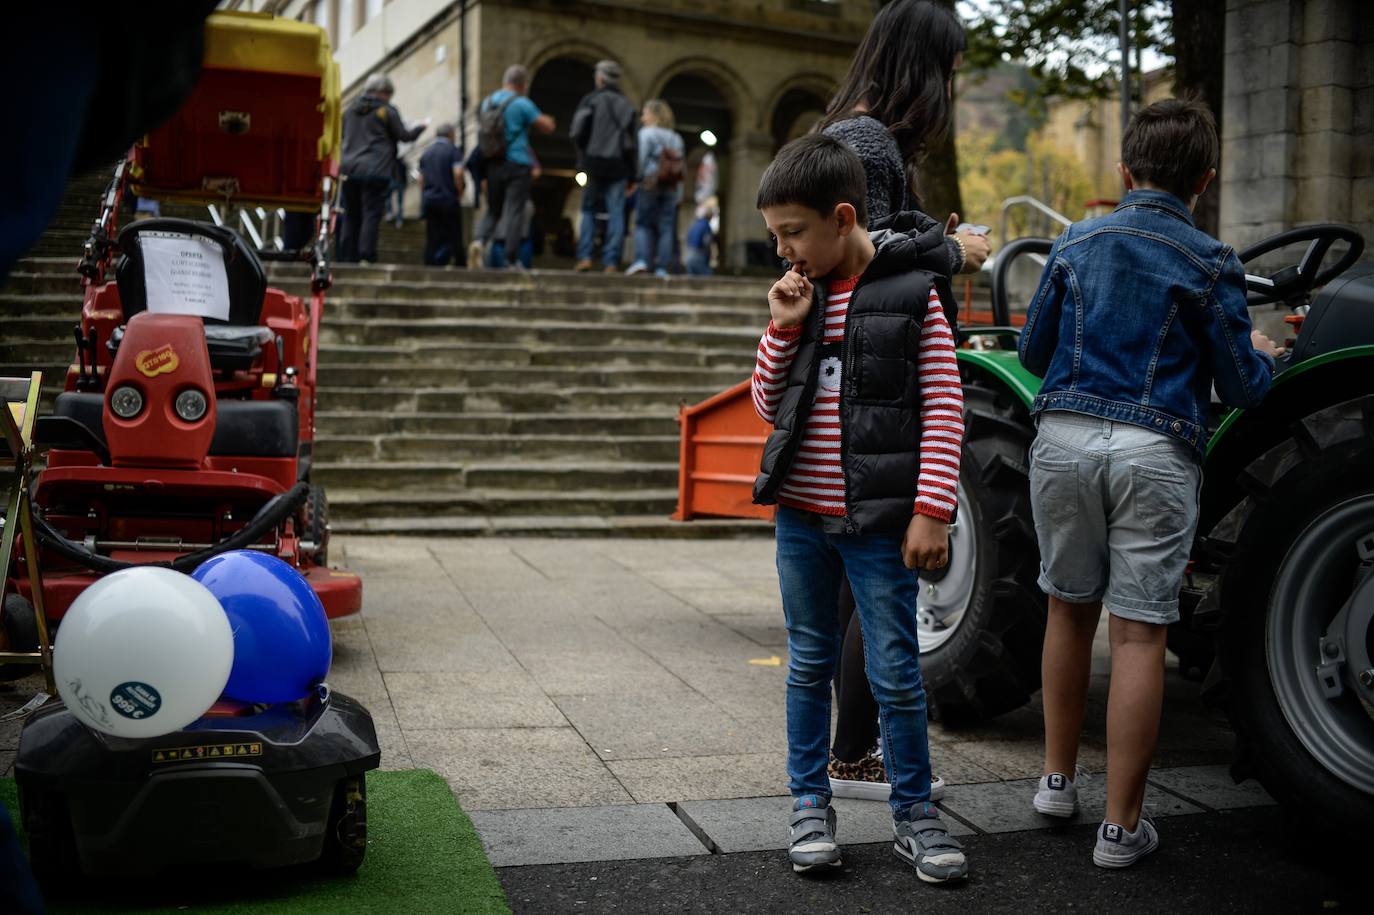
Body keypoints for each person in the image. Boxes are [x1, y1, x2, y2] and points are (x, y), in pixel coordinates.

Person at [1018, 97, 1281, 868]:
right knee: (1137, 633)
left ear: (1124, 172)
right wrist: (1262, 350)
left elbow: (1035, 353)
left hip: (1061, 440)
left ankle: (1055, 782)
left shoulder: (1074, 239)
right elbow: (1242, 389)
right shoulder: (1211, 258)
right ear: (1204, 178)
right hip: (1153, 449)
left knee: (1067, 612)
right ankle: (1119, 828)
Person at [751, 134, 968, 883]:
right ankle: (809, 802)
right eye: (775, 235)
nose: (783, 251)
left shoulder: (912, 294)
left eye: (793, 233)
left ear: (843, 217)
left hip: (879, 524)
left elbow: (945, 404)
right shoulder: (798, 293)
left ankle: (915, 812)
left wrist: (932, 508)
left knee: (896, 668)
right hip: (801, 521)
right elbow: (765, 405)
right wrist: (781, 331)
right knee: (808, 661)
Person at [811, 0, 991, 804]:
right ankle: (852, 758)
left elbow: (874, 241)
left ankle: (850, 754)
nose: (949, 85)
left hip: (863, 384)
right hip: (877, 386)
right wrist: (954, 249)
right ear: (920, 65)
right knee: (878, 573)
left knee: (863, 574)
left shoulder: (849, 132)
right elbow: (865, 261)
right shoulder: (866, 139)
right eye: (947, 68)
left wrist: (927, 233)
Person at [339, 73, 428, 263]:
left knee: (351, 214)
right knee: (371, 213)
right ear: (383, 93)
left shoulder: (348, 111)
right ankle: (366, 255)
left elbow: (341, 137)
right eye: (389, 94)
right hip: (374, 171)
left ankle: (346, 256)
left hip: (348, 169)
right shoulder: (386, 111)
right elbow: (404, 135)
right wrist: (421, 127)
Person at [474, 65, 554, 269]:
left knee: (493, 209)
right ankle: (510, 259)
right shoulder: (521, 103)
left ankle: (479, 241)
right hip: (517, 163)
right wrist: (548, 120)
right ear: (523, 84)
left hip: (492, 163)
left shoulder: (487, 102)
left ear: (504, 81)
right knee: (514, 211)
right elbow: (545, 126)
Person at [570, 60, 638, 273]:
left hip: (593, 162)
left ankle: (585, 257)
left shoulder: (590, 100)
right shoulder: (627, 105)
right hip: (618, 166)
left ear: (600, 78)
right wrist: (633, 174)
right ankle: (611, 261)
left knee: (589, 209)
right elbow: (632, 142)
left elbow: (576, 132)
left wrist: (582, 155)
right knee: (616, 212)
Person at [625, 99, 685, 277]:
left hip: (649, 183)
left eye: (645, 113)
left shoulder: (646, 133)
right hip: (670, 187)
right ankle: (662, 268)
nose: (642, 118)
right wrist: (679, 194)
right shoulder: (676, 137)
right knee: (666, 226)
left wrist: (635, 181)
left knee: (643, 223)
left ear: (653, 114)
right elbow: (681, 167)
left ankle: (643, 260)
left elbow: (641, 160)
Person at [418, 122, 466, 266]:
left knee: (432, 234)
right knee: (454, 234)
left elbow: (421, 178)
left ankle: (430, 262)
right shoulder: (453, 150)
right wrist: (460, 192)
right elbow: (458, 174)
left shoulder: (427, 152)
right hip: (448, 198)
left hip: (430, 199)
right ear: (451, 135)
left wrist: (425, 194)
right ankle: (458, 263)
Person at [685, 201, 714, 276]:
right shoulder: (706, 226)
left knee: (692, 281)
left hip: (689, 256)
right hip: (698, 256)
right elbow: (706, 243)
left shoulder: (694, 225)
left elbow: (687, 239)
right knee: (708, 278)